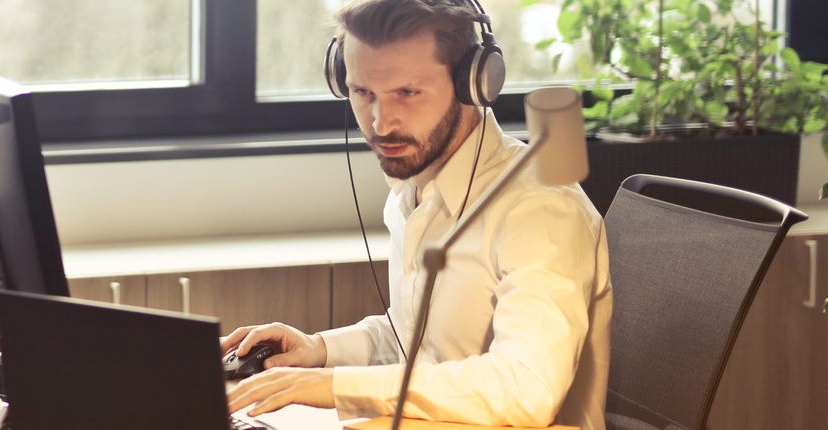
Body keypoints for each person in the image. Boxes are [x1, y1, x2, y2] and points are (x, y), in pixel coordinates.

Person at [221, 1, 612, 429]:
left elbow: (526, 390)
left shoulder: (542, 210)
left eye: (407, 93)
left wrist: (333, 385)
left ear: (473, 83)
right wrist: (319, 350)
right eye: (362, 92)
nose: (381, 122)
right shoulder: (414, 188)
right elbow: (415, 342)